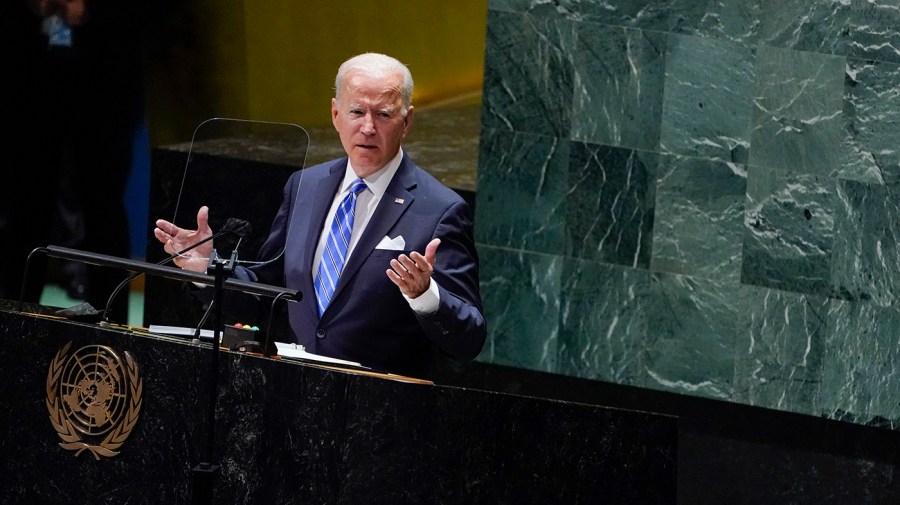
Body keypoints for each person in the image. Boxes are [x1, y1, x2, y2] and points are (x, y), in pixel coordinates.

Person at [154, 53, 486, 378]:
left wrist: (424, 295)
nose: (368, 127)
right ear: (335, 114)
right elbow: (268, 294)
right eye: (356, 111)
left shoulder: (440, 209)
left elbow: (468, 339)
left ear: (407, 121)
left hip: (379, 414)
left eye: (383, 115)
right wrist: (207, 268)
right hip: (290, 399)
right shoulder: (305, 186)